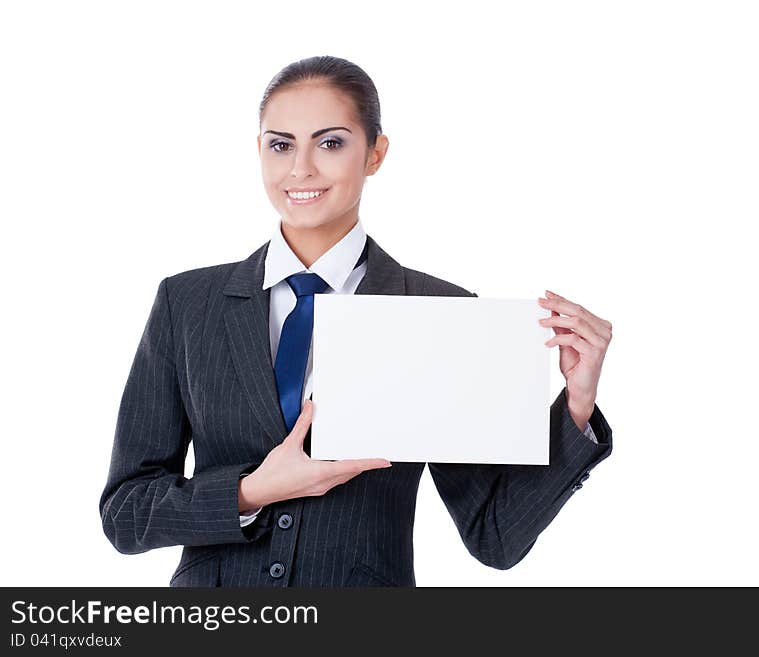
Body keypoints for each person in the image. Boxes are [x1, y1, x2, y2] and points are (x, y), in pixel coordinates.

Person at [99, 55, 614, 587]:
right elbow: (125, 513)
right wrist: (249, 491)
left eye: (330, 143)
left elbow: (495, 535)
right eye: (281, 145)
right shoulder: (187, 303)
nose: (301, 168)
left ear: (375, 153)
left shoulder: (439, 312)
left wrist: (574, 405)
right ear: (259, 152)